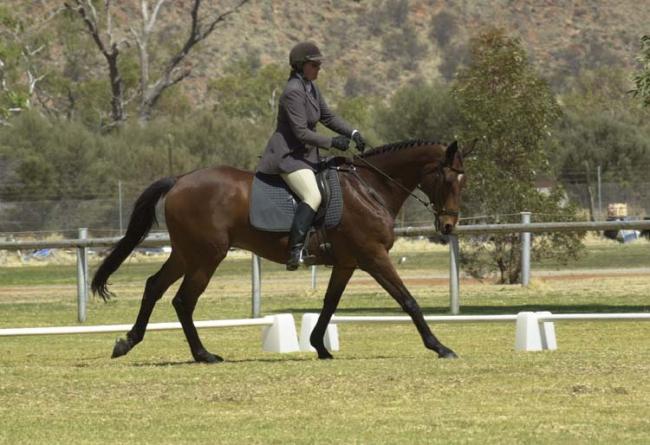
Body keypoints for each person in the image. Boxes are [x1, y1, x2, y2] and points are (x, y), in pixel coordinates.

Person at [257, 41, 366, 270]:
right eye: (314, 65)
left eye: (319, 65)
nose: (319, 69)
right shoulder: (292, 92)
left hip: (306, 156)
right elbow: (301, 132)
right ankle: (294, 250)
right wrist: (332, 142)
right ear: (301, 65)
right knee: (313, 196)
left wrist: (353, 132)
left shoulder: (310, 87)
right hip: (288, 157)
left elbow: (328, 117)